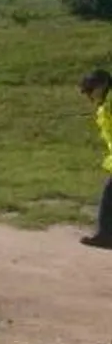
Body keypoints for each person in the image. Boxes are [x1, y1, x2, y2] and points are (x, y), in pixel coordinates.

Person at [78, 69, 112, 249]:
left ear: (102, 85)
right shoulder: (106, 104)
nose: (89, 95)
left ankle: (106, 236)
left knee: (109, 196)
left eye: (91, 90)